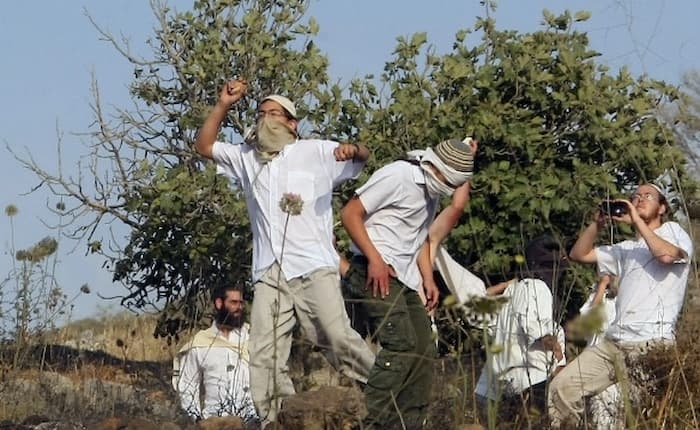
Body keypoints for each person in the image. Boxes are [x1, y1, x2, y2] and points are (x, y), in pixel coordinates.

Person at [194, 79, 376, 425]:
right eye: (261, 114)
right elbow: (204, 146)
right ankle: (278, 419)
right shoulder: (246, 158)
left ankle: (386, 392)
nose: (266, 120)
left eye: (275, 114)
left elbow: (361, 156)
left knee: (335, 335)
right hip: (269, 270)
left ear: (292, 123)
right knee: (264, 352)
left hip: (313, 265)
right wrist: (223, 105)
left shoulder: (315, 151)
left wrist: (353, 149)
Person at [341, 137, 476, 429]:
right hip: (370, 269)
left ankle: (407, 423)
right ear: (436, 167)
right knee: (401, 344)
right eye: (448, 180)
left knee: (424, 351)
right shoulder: (398, 175)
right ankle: (370, 420)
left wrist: (428, 278)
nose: (447, 187)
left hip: (402, 278)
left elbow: (419, 239)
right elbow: (350, 214)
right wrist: (375, 259)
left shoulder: (432, 192)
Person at [548, 183, 693, 428]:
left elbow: (666, 256)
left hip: (650, 344)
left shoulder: (673, 231)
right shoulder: (626, 249)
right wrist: (598, 224)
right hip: (613, 343)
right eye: (635, 196)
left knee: (617, 412)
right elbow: (579, 254)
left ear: (662, 208)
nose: (639, 199)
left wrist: (637, 221)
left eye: (648, 196)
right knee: (561, 388)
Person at [474, 235, 567, 422]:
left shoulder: (512, 290)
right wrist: (557, 351)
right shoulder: (538, 287)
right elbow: (534, 326)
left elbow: (478, 306)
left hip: (501, 384)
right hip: (531, 378)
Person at [173, 284, 258, 426]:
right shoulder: (200, 343)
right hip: (214, 421)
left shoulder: (253, 337)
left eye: (241, 303)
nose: (239, 308)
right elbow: (188, 385)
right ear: (219, 303)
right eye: (233, 302)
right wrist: (197, 420)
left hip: (250, 420)